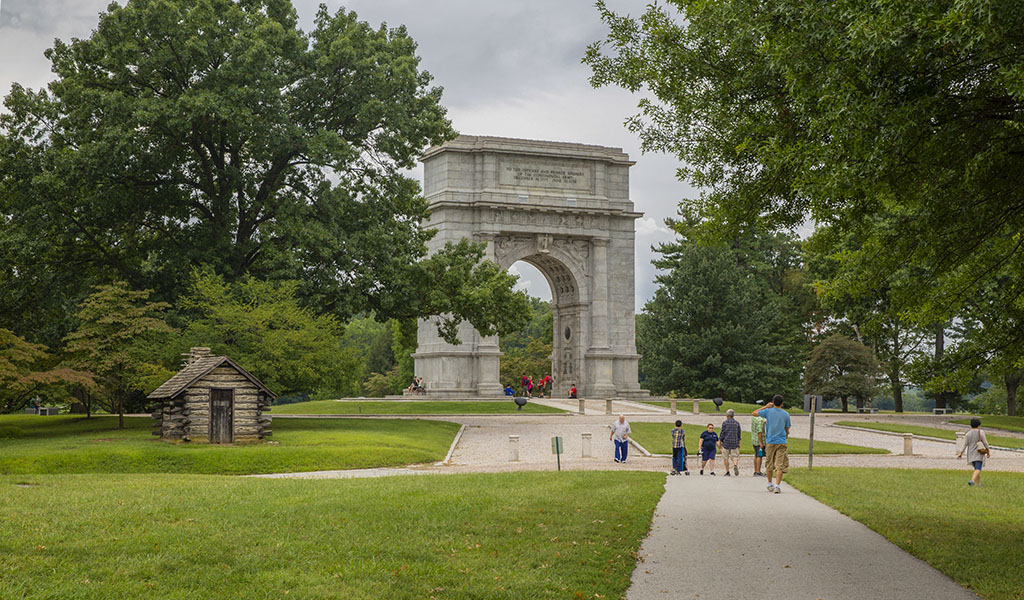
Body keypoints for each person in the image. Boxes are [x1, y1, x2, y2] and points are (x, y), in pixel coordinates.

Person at [752, 395, 791, 494]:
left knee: (769, 464)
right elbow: (787, 428)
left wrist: (766, 406)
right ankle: (777, 485)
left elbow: (754, 413)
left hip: (770, 441)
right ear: (782, 403)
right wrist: (786, 434)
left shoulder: (768, 412)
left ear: (773, 402)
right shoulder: (786, 414)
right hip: (781, 441)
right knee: (780, 465)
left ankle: (770, 484)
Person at [957, 418, 991, 486]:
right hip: (978, 453)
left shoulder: (968, 434)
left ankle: (978, 483)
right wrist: (988, 450)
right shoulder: (981, 432)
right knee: (978, 468)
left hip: (971, 453)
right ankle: (972, 480)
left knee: (976, 469)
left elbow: (965, 444)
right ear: (979, 425)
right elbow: (985, 442)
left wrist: (961, 452)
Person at [718, 409, 742, 476]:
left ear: (727, 415)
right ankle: (735, 464)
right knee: (735, 456)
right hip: (734, 442)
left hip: (726, 442)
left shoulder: (725, 423)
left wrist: (720, 441)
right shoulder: (737, 423)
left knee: (725, 458)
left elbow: (722, 433)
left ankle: (727, 471)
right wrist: (738, 442)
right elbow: (739, 434)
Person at [750, 408, 767, 476]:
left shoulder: (754, 418)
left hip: (754, 439)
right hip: (759, 440)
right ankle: (758, 471)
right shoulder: (760, 421)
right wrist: (761, 442)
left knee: (756, 454)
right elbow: (759, 432)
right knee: (760, 455)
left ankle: (755, 470)